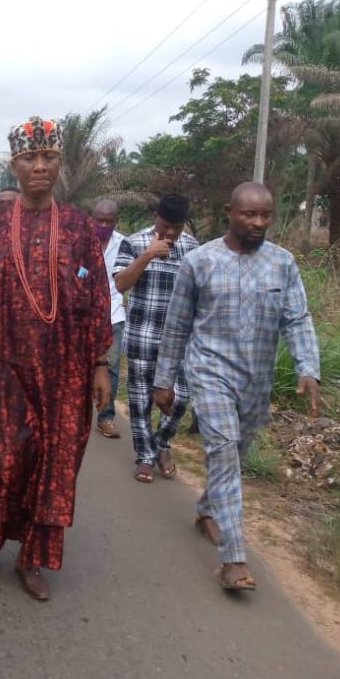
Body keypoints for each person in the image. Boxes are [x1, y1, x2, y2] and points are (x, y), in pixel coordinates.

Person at [0, 116, 112, 601]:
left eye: (48, 157)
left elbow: (99, 296)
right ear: (14, 164)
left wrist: (101, 362)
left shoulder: (81, 228)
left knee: (53, 464)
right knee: (1, 461)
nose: (39, 167)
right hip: (1, 368)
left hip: (65, 373)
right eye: (29, 158)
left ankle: (32, 556)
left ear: (58, 162)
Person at [153, 182, 320, 591]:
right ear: (230, 211)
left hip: (256, 379)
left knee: (235, 452)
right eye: (249, 214)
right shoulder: (200, 261)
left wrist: (308, 367)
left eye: (265, 215)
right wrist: (165, 379)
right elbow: (176, 324)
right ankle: (234, 559)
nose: (258, 222)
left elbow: (297, 318)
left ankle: (209, 508)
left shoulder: (283, 263)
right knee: (224, 448)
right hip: (209, 371)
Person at [113, 194, 199, 483]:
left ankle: (162, 444)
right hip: (141, 338)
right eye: (165, 225)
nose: (171, 233)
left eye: (176, 227)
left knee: (180, 398)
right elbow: (121, 283)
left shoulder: (192, 248)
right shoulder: (134, 242)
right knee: (140, 403)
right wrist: (148, 254)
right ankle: (145, 457)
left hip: (179, 343)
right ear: (156, 217)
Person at [92, 198, 126, 439]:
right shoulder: (80, 241)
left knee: (111, 367)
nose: (104, 225)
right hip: (83, 316)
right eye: (99, 220)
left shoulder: (124, 244)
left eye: (109, 221)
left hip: (113, 313)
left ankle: (106, 417)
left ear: (116, 221)